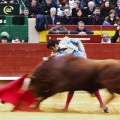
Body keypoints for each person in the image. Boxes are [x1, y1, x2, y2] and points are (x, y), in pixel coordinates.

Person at [47, 36, 109, 113]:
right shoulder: (55, 55)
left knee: (92, 83)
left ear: (56, 45)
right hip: (74, 70)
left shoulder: (65, 41)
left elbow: (78, 41)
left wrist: (83, 52)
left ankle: (102, 104)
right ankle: (66, 107)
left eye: (52, 48)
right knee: (72, 86)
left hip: (83, 64)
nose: (52, 51)